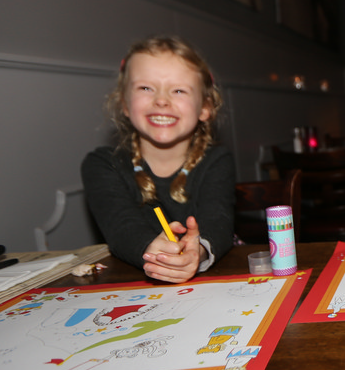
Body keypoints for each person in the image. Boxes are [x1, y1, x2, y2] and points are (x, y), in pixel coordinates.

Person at [82, 36, 234, 283]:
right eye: (145, 88)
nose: (161, 100)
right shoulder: (102, 164)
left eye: (179, 90)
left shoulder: (217, 160)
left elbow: (218, 221)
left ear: (205, 107)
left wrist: (197, 252)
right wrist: (156, 252)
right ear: (125, 104)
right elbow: (121, 226)